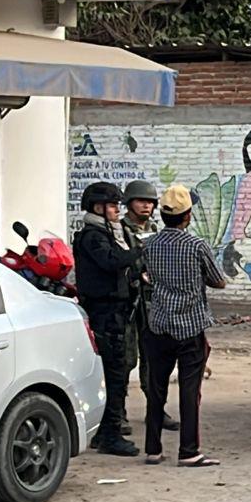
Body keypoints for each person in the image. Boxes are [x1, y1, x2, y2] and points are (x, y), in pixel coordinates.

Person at [141, 184, 228, 467]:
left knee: (156, 388)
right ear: (187, 216)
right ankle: (189, 451)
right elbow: (219, 281)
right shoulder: (196, 246)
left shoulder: (149, 244)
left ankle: (153, 449)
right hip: (190, 326)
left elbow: (148, 275)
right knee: (190, 390)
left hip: (158, 324)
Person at [73, 181, 145, 456]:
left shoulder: (111, 232)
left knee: (116, 371)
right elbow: (112, 261)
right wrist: (139, 250)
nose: (118, 210)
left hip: (117, 311)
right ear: (98, 207)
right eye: (113, 205)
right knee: (114, 374)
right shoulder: (93, 236)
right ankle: (111, 434)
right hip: (105, 313)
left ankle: (105, 431)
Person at [117, 179, 179, 435]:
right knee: (126, 360)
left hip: (153, 302)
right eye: (141, 201)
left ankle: (156, 409)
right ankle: (118, 413)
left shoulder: (156, 230)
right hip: (129, 302)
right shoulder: (120, 230)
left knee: (154, 360)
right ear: (129, 203)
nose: (146, 206)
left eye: (150, 202)